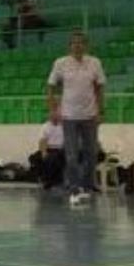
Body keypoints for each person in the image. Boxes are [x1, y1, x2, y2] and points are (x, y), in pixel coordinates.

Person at [46, 30, 106, 207]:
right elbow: (51, 87)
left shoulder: (95, 62)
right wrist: (53, 109)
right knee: (71, 155)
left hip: (90, 115)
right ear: (69, 46)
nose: (77, 45)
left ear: (86, 45)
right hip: (69, 115)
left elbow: (100, 87)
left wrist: (101, 111)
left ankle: (88, 185)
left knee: (92, 153)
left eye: (81, 42)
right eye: (74, 43)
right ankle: (73, 186)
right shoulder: (60, 63)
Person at [30, 101, 65, 189]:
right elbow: (42, 140)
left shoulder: (65, 126)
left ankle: (51, 181)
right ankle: (42, 178)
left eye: (55, 112)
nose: (52, 114)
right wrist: (43, 152)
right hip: (49, 148)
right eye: (51, 112)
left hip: (61, 149)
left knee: (53, 158)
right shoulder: (45, 126)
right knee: (34, 158)